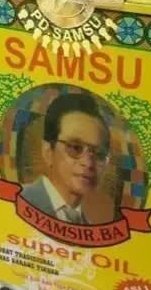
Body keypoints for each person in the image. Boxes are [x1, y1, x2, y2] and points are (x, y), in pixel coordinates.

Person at [22, 93, 110, 224]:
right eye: (75, 147)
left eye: (99, 154)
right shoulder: (15, 201)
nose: (88, 163)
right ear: (48, 152)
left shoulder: (90, 228)